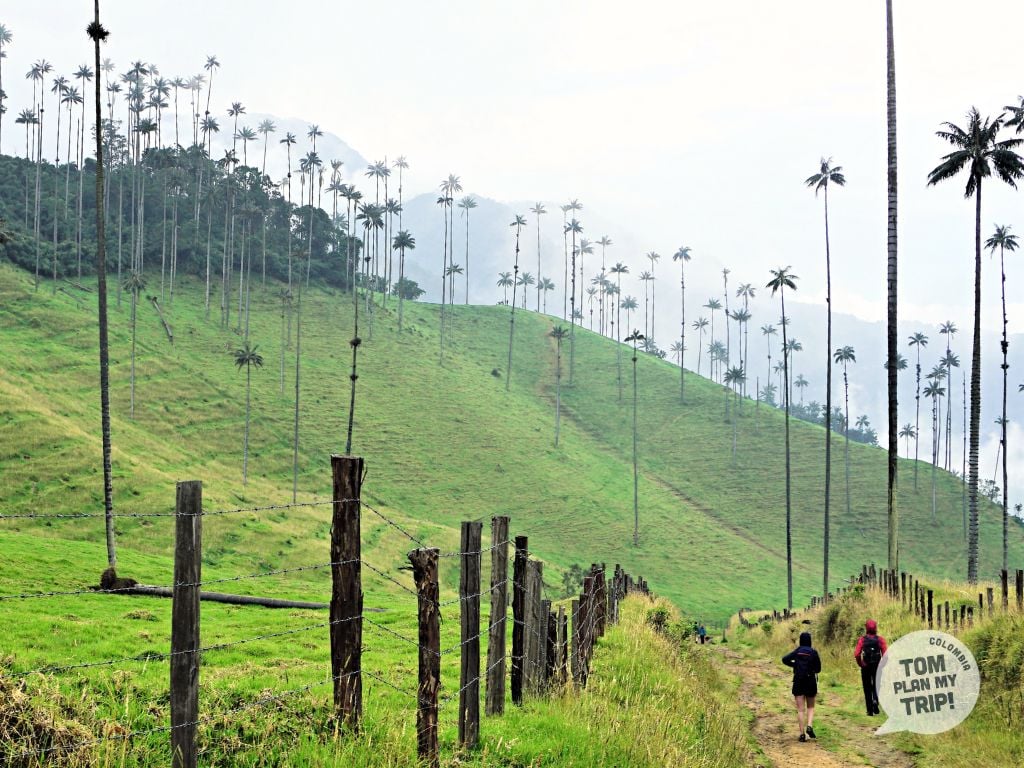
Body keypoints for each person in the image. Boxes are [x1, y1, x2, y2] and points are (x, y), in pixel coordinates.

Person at [782, 631, 821, 742]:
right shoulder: (813, 652)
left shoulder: (798, 651)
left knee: (800, 710)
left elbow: (784, 659)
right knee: (810, 707)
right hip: (810, 682)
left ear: (800, 640)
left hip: (798, 680)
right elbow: (818, 669)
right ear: (810, 641)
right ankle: (809, 725)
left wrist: (795, 665)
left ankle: (802, 734)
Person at [854, 619, 888, 716]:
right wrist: (882, 665)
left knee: (867, 687)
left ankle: (869, 710)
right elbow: (886, 655)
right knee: (877, 685)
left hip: (866, 666)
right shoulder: (880, 640)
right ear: (876, 628)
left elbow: (857, 654)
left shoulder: (862, 640)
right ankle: (875, 701)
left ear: (866, 628)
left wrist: (861, 663)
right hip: (877, 665)